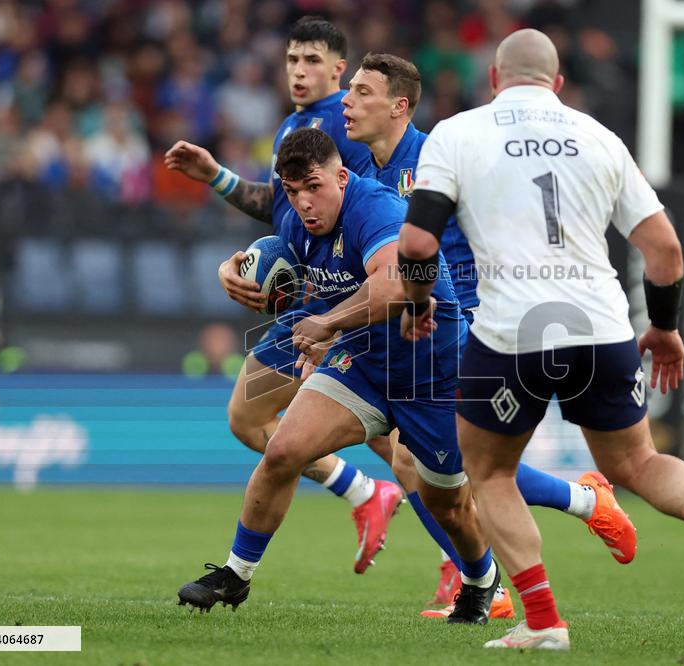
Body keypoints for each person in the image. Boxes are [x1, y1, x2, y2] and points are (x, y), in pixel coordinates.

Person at [398, 29, 684, 650]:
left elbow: (417, 244)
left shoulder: (457, 133)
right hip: (602, 327)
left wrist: (419, 304)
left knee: (490, 471)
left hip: (511, 331)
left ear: (494, 79)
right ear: (558, 85)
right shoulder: (599, 137)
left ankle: (543, 619)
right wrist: (663, 328)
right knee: (637, 462)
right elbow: (664, 248)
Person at [341, 52, 636, 615]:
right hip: (419, 326)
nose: (346, 102)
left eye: (359, 91)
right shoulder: (371, 174)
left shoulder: (435, 155)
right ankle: (550, 526)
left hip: (469, 319)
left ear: (399, 106)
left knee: (434, 462)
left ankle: (488, 578)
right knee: (428, 459)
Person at [177, 128, 500, 624]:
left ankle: (482, 583)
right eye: (292, 191)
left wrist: (326, 324)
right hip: (364, 366)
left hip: (429, 373)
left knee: (450, 504)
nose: (304, 202)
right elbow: (306, 286)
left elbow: (394, 284)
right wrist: (233, 270)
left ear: (341, 177)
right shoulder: (296, 224)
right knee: (283, 449)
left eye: (313, 186)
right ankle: (235, 574)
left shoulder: (377, 207)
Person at [164, 17, 400, 575]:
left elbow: (369, 207)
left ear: (340, 69)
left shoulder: (347, 120)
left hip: (349, 302)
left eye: (313, 60)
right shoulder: (293, 128)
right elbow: (283, 210)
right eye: (293, 59)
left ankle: (461, 565)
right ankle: (365, 492)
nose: (299, 70)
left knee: (399, 440)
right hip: (306, 306)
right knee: (248, 418)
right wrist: (219, 183)